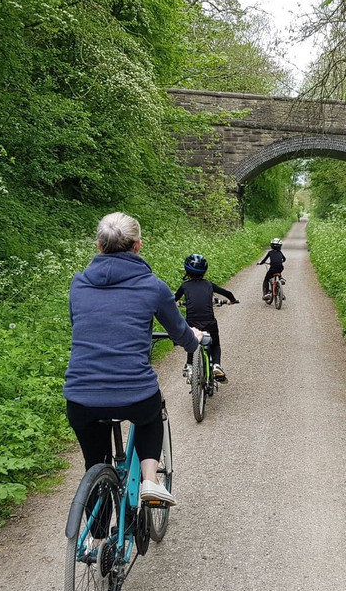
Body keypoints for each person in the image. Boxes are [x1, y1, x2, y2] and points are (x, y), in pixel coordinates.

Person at [63, 212, 201, 505]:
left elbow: (80, 324)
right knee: (152, 412)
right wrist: (196, 338)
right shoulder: (153, 287)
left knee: (95, 464)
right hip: (134, 394)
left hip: (80, 397)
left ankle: (96, 544)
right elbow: (181, 335)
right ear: (138, 246)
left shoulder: (78, 284)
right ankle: (150, 480)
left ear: (98, 247)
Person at [174, 253, 238, 382]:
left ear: (187, 270)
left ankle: (190, 366)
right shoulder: (209, 285)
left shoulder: (185, 286)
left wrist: (177, 303)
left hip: (191, 323)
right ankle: (216, 365)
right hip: (209, 322)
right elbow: (227, 293)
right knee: (215, 344)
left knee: (192, 341)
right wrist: (232, 300)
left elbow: (174, 299)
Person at [258, 238, 286, 302]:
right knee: (278, 270)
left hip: (272, 268)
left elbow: (264, 260)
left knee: (266, 279)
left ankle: (267, 293)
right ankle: (280, 279)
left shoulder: (270, 252)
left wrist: (260, 263)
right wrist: (280, 261)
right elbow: (284, 259)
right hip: (280, 267)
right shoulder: (280, 252)